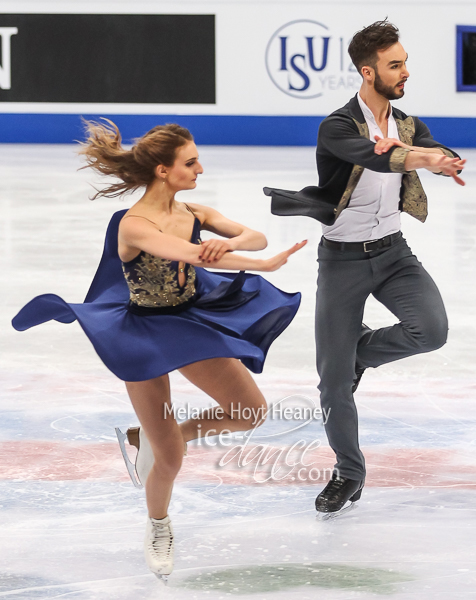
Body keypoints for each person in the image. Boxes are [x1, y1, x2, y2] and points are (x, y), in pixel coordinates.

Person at [12, 120, 306, 580]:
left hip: (188, 321)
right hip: (141, 335)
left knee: (249, 411)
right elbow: (185, 253)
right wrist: (256, 263)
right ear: (163, 170)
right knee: (169, 461)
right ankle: (158, 525)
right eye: (191, 163)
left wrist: (231, 243)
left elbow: (254, 235)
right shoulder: (134, 225)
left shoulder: (193, 211)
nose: (200, 169)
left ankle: (154, 437)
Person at [264, 20, 465, 518]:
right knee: (331, 384)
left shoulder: (409, 124)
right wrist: (415, 156)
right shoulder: (336, 126)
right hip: (342, 260)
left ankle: (358, 355)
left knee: (432, 330)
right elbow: (374, 159)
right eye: (395, 65)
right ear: (368, 71)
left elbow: (439, 152)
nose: (405, 73)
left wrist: (443, 159)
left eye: (404, 63)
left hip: (394, 253)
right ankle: (349, 473)